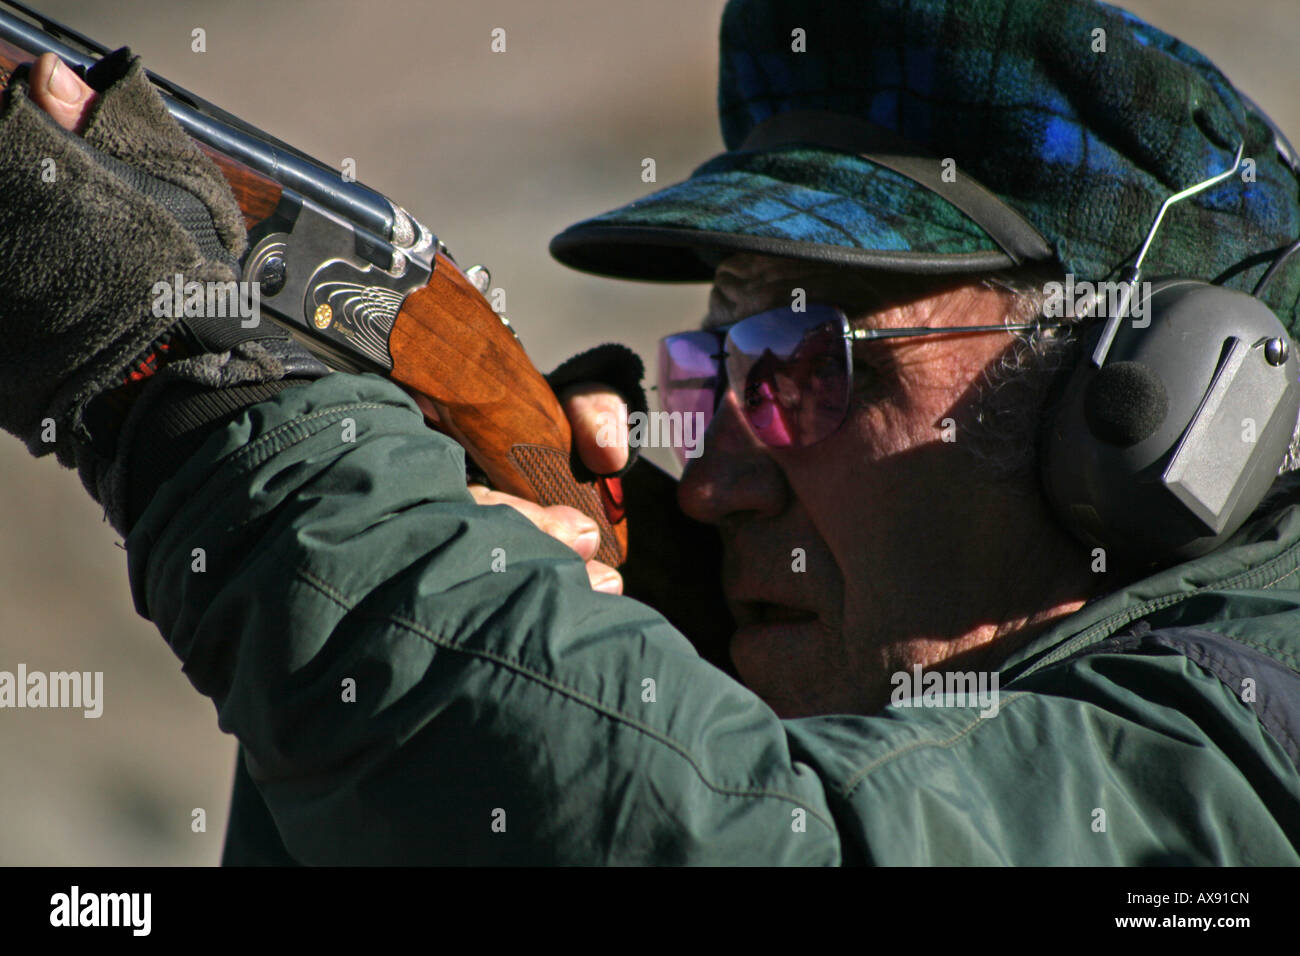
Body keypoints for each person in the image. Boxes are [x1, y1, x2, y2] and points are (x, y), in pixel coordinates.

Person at [2, 0, 1299, 865]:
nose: (714, 479)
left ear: (1156, 411)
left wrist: (190, 390)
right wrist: (541, 651)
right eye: (706, 368)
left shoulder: (1251, 731)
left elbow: (750, 849)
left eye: (799, 362)